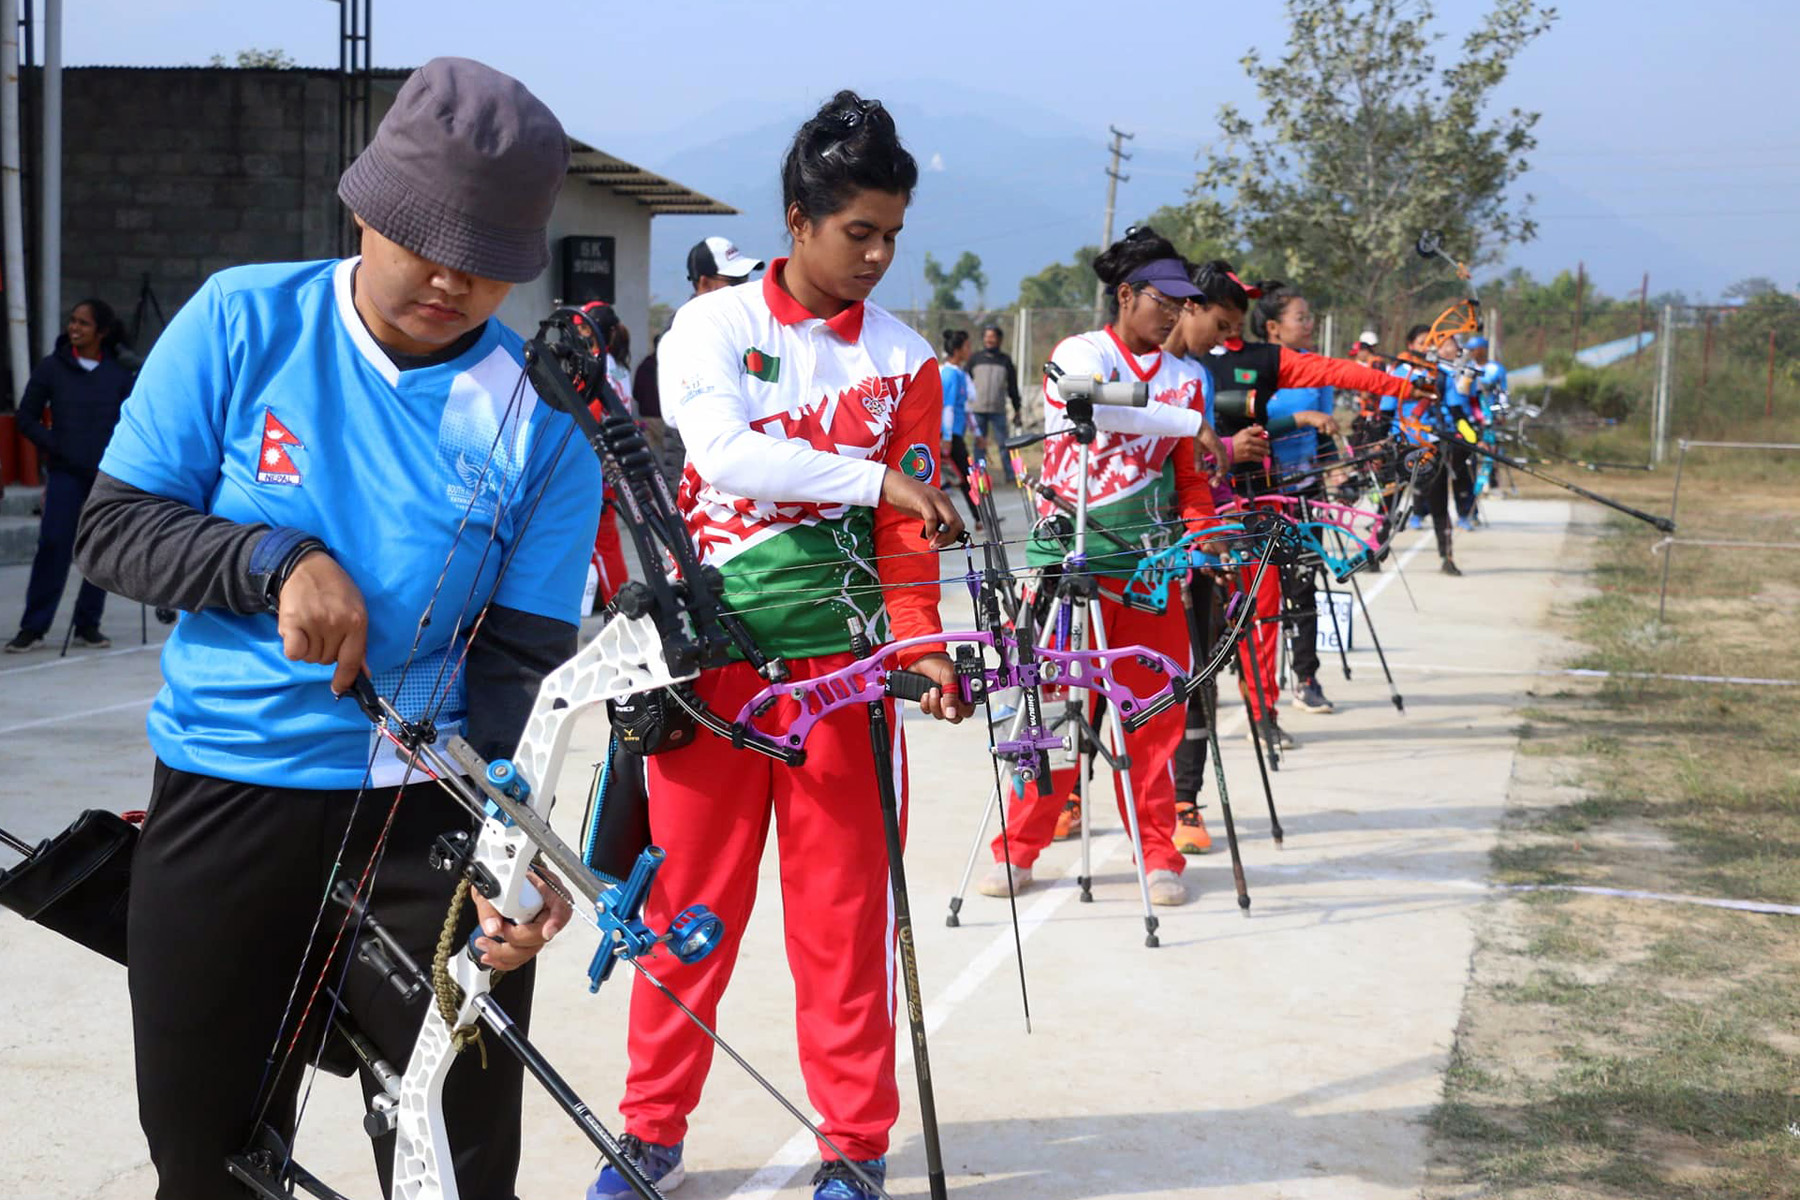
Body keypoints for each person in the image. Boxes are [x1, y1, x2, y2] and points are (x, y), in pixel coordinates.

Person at [70, 58, 595, 1200]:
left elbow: (522, 668)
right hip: (225, 789)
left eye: (490, 261)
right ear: (365, 207)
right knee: (202, 1156)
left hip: (430, 820)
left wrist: (524, 849)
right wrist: (271, 558)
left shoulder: (546, 422)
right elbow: (112, 530)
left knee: (449, 1165)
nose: (453, 279)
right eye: (427, 239)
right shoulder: (240, 319)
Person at [593, 91, 966, 1200]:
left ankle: (854, 1146)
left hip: (842, 682)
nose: (878, 255)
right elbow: (720, 454)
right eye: (859, 232)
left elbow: (909, 535)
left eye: (893, 234)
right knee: (685, 916)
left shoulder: (908, 364)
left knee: (844, 926)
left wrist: (925, 647)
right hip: (710, 672)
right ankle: (652, 1131)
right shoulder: (712, 327)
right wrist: (876, 476)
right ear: (798, 222)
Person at [976, 226, 1218, 909]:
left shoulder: (1184, 378)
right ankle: (1020, 847)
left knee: (1150, 715)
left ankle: (1158, 851)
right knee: (1043, 708)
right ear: (1126, 294)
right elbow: (1096, 401)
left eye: (1181, 303)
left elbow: (1189, 479)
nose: (1173, 313)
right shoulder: (1078, 353)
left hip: (1145, 570)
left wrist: (1203, 536)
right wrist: (1184, 419)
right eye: (1161, 299)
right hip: (1067, 557)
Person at [1206, 288, 1417, 746]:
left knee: (1300, 591)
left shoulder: (1295, 367)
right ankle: (1212, 689)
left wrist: (1399, 389)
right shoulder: (1209, 366)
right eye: (1300, 317)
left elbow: (1332, 390)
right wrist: (1288, 424)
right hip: (1241, 499)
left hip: (1300, 496)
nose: (1309, 323)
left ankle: (1299, 682)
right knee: (1237, 610)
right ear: (1273, 326)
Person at [6, 299, 135, 652]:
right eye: (72, 321)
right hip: (65, 473)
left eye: (84, 323)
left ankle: (88, 624)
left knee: (101, 548)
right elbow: (25, 417)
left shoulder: (119, 376)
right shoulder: (52, 368)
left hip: (104, 476)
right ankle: (33, 626)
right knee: (53, 546)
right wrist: (55, 444)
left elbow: (132, 425)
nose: (74, 328)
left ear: (102, 332)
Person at [964, 322, 1022, 481]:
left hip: (998, 410)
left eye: (993, 337)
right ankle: (979, 475)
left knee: (1004, 444)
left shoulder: (1005, 361)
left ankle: (1010, 475)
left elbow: (1013, 387)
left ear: (999, 339)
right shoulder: (975, 359)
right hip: (978, 409)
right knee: (979, 445)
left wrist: (1017, 409)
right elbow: (965, 382)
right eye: (987, 336)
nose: (989, 340)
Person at [939, 327, 980, 527]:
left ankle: (979, 517)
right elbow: (947, 407)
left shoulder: (960, 374)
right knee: (963, 477)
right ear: (957, 350)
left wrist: (977, 432)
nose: (970, 349)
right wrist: (946, 437)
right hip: (950, 435)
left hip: (956, 433)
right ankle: (979, 517)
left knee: (962, 477)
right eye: (967, 346)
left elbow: (965, 407)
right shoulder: (949, 375)